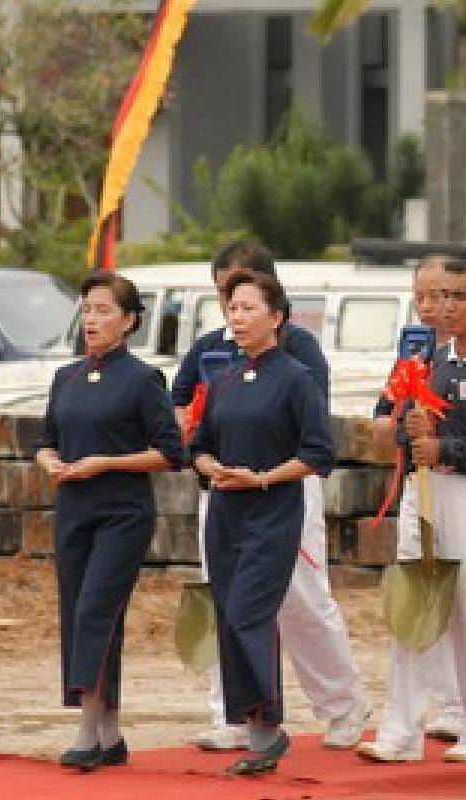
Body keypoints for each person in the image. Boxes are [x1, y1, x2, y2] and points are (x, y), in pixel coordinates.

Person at [174, 241, 370, 753]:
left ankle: (342, 703)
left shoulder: (298, 352)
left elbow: (312, 433)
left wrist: (263, 476)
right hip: (223, 492)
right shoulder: (211, 350)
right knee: (229, 599)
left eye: (242, 299)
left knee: (301, 597)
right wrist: (203, 457)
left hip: (284, 490)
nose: (231, 311)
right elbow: (180, 407)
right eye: (224, 298)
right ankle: (234, 712)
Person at [358, 260, 466, 764]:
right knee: (412, 609)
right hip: (423, 493)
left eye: (459, 297)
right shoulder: (430, 361)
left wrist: (448, 449)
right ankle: (400, 731)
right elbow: (388, 422)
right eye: (442, 296)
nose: (447, 307)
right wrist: (401, 433)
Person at [35, 272, 185, 771]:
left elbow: (170, 453)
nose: (91, 319)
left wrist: (106, 462)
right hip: (74, 509)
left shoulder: (143, 380)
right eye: (87, 309)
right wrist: (50, 462)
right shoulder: (67, 377)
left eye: (103, 310)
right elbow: (45, 439)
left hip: (123, 513)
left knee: (96, 610)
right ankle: (110, 732)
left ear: (128, 321)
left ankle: (87, 726)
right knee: (78, 613)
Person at [192, 270, 337, 774]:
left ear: (277, 318)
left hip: (273, 512)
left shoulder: (296, 379)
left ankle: (268, 727)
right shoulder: (224, 380)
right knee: (227, 615)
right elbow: (200, 446)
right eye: (232, 308)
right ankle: (255, 728)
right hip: (226, 511)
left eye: (248, 308)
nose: (237, 317)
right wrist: (212, 469)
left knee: (247, 614)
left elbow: (318, 451)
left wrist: (264, 479)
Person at [369, 255, 466, 742]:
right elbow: (383, 413)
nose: (429, 306)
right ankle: (405, 718)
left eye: (440, 295)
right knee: (417, 593)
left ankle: (461, 705)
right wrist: (395, 421)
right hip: (416, 486)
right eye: (421, 295)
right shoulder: (413, 352)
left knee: (462, 600)